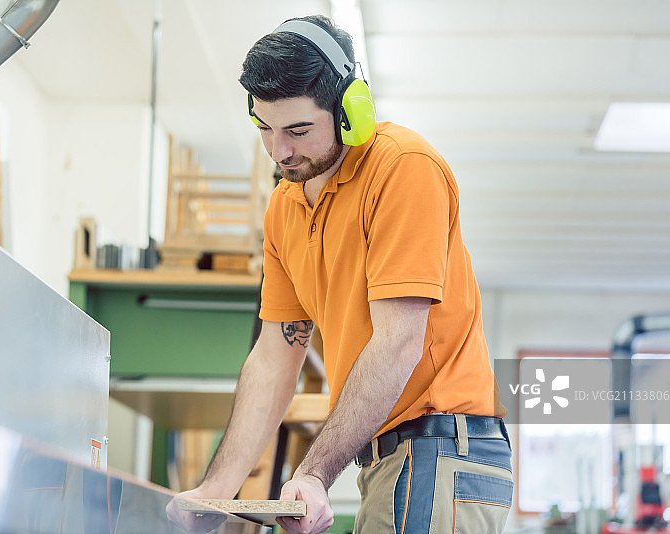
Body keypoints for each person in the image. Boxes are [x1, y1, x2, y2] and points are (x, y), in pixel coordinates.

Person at [167, 14, 512, 534]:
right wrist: (213, 495)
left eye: (298, 130)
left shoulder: (402, 169)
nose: (280, 150)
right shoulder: (285, 209)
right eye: (265, 128)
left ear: (351, 111)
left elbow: (398, 342)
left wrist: (313, 473)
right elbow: (273, 357)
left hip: (440, 446)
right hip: (387, 456)